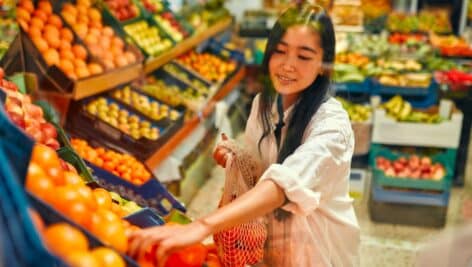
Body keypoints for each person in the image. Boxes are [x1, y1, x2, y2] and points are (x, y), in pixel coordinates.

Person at [128, 2, 360, 266]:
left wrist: (204, 226)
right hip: (271, 249)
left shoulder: (332, 126)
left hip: (317, 254)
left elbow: (283, 184)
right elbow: (263, 169)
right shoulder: (264, 104)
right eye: (280, 51)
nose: (287, 65)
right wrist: (237, 158)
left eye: (304, 56)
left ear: (324, 65)